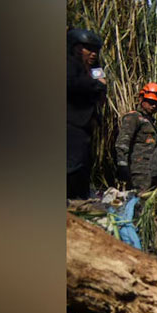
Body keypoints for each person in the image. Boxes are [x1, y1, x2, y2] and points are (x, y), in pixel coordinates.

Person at [66, 28, 107, 199]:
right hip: (70, 124)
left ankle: (79, 200)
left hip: (84, 127)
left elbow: (102, 87)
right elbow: (70, 83)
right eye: (88, 49)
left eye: (96, 50)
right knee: (72, 166)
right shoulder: (69, 64)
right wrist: (95, 85)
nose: (93, 54)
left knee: (82, 165)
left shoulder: (94, 69)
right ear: (75, 47)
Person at [114, 82, 157, 191]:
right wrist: (122, 164)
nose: (154, 106)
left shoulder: (150, 122)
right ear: (142, 99)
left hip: (151, 171)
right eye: (151, 102)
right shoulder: (133, 117)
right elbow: (123, 142)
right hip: (139, 171)